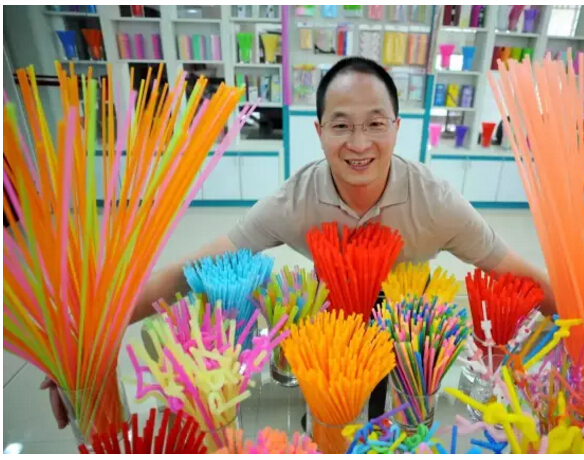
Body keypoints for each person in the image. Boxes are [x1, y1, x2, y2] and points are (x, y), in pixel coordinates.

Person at [43, 56, 554, 429]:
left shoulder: (436, 203)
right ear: (319, 130)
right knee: (328, 428)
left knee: (395, 433)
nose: (359, 143)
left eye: (375, 124)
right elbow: (190, 272)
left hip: (409, 348)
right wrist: (83, 337)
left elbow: (521, 275)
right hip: (329, 348)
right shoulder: (294, 201)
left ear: (397, 127)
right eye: (341, 125)